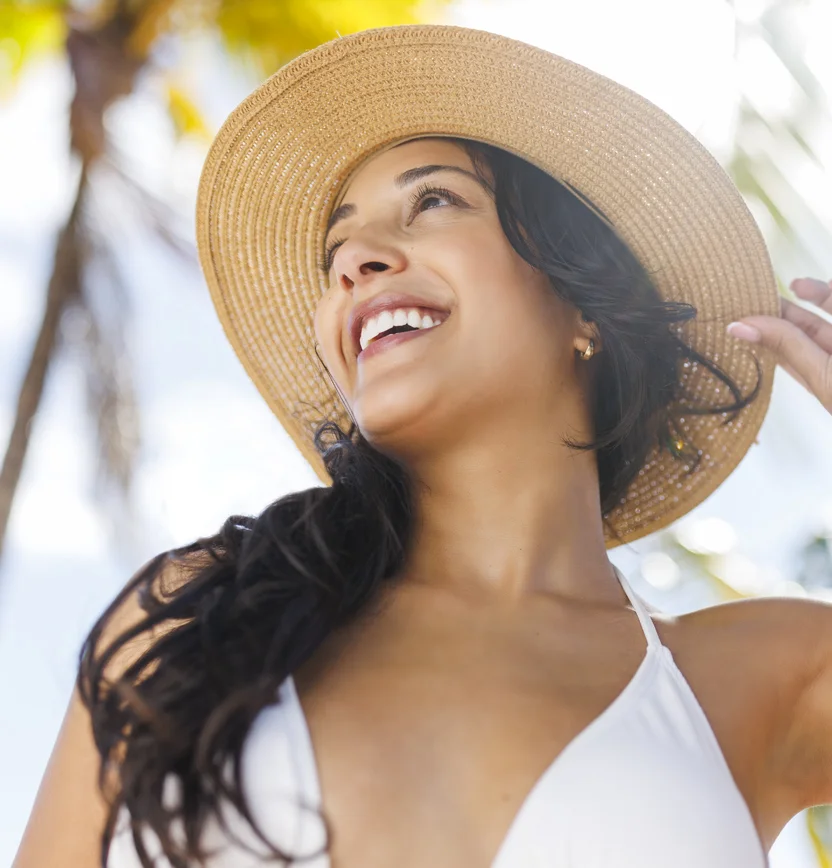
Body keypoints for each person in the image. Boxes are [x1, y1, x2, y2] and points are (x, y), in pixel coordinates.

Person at [13, 24, 832, 868]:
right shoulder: (193, 620)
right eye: (337, 248)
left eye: (433, 201)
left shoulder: (763, 677)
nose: (354, 263)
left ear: (586, 302)